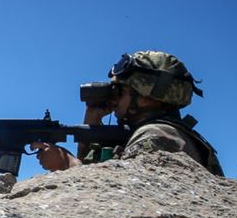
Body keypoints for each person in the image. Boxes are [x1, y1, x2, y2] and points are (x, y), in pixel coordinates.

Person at [32, 51, 223, 176]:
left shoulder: (157, 136)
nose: (113, 99)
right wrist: (92, 122)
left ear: (147, 98)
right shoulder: (152, 133)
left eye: (120, 92)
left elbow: (119, 196)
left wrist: (67, 163)